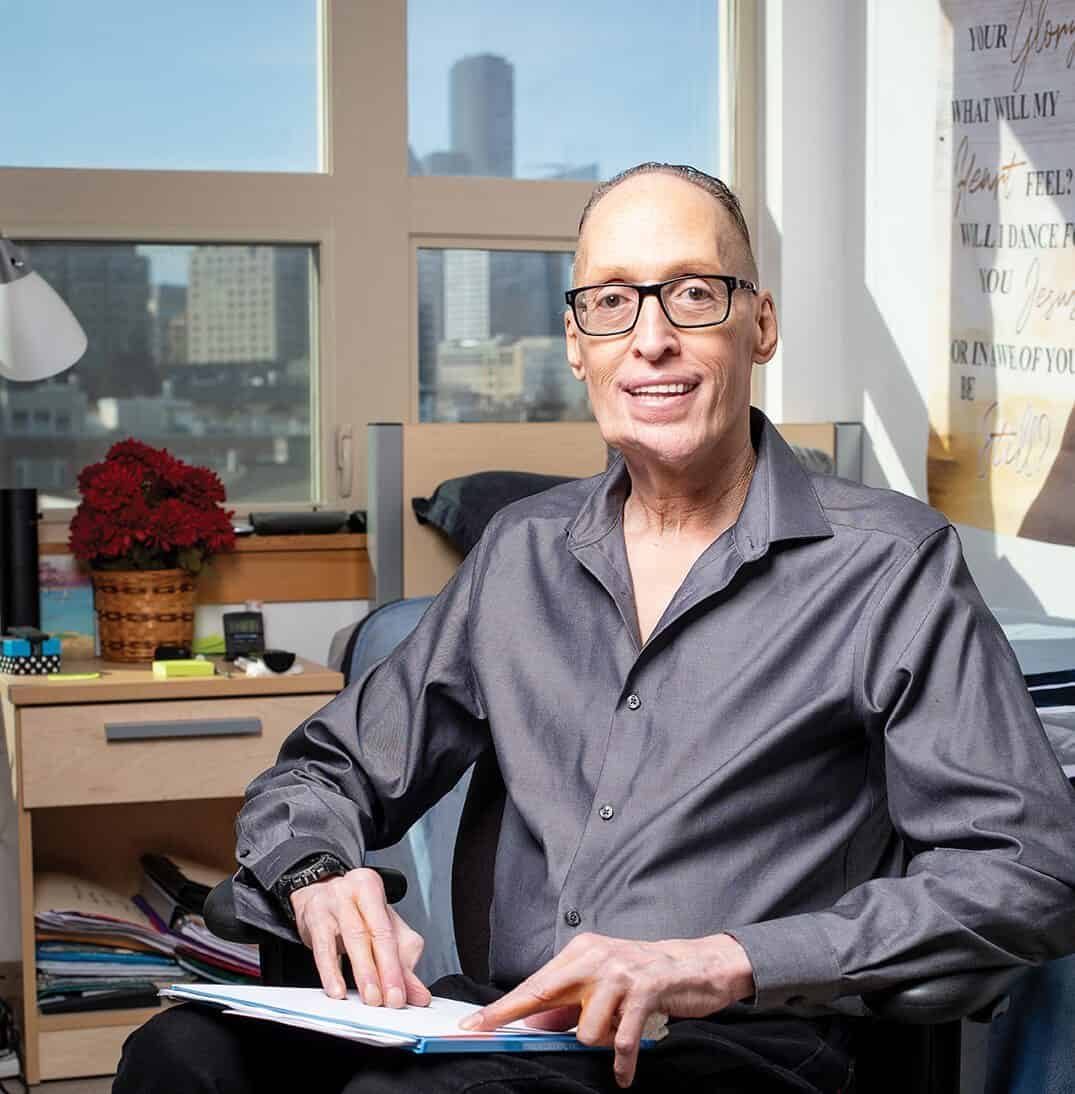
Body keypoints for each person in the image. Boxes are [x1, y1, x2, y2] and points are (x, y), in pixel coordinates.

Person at [114, 163, 1075, 1094]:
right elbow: (323, 771)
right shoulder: (520, 554)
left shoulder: (888, 565)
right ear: (578, 344)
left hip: (736, 1044)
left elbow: (1027, 869)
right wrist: (320, 872)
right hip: (503, 1026)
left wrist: (722, 959)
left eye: (693, 293)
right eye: (611, 302)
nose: (649, 338)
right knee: (182, 1057)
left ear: (761, 325)